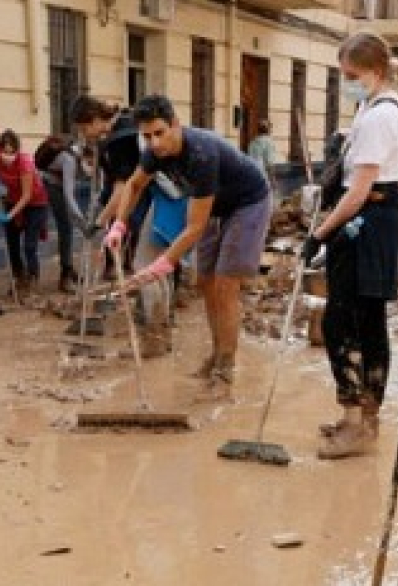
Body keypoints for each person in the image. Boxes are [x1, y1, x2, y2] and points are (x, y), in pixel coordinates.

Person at [106, 94, 272, 395]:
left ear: (175, 125)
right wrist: (119, 223)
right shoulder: (154, 153)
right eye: (147, 136)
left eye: (159, 133)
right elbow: (134, 184)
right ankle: (215, 355)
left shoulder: (201, 154)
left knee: (225, 284)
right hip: (213, 207)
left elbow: (194, 227)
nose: (154, 143)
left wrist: (164, 262)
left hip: (248, 203)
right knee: (205, 282)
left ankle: (225, 369)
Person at [301, 35, 398, 459]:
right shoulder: (372, 107)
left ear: (376, 72)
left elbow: (359, 192)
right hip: (367, 218)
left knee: (354, 324)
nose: (345, 83)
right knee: (351, 321)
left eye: (350, 76)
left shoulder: (381, 116)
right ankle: (356, 417)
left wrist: (320, 233)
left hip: (369, 220)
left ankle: (361, 424)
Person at [71, 96, 173, 354]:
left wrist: (99, 223)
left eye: (84, 129)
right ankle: (158, 328)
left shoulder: (118, 142)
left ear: (95, 120)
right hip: (170, 197)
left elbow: (121, 191)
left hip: (164, 201)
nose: (85, 135)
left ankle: (154, 339)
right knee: (156, 267)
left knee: (145, 267)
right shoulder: (128, 125)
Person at [0, 128, 47, 297]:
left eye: (11, 152)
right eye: (4, 151)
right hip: (12, 200)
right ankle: (19, 277)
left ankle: (33, 278)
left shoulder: (24, 163)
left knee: (29, 245)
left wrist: (10, 215)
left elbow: (27, 196)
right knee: (12, 243)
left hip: (35, 203)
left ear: (17, 150)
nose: (7, 156)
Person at [40, 135, 85, 292]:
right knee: (65, 228)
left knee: (67, 228)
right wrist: (82, 221)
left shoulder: (74, 155)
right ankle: (65, 276)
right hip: (50, 185)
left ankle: (68, 267)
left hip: (54, 183)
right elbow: (68, 194)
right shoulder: (69, 160)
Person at [247, 119, 277, 194]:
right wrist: (273, 179)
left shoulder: (252, 142)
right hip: (263, 177)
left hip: (252, 175)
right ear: (268, 130)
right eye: (270, 128)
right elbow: (269, 163)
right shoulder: (269, 142)